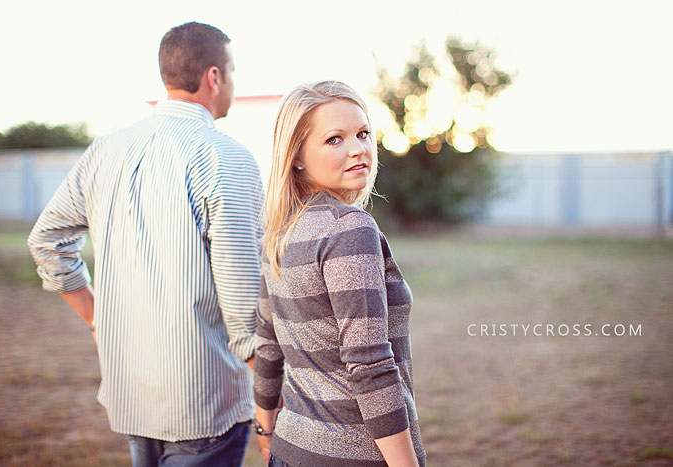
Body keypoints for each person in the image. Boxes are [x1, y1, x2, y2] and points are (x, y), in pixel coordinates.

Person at [27, 22, 263, 466]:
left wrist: (97, 319)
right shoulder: (226, 157)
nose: (232, 83)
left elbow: (47, 241)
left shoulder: (105, 150)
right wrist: (272, 402)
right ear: (214, 77)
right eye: (232, 71)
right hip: (204, 400)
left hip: (129, 394)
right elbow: (243, 311)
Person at [252, 81, 426, 467]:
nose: (357, 149)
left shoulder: (278, 233)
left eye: (363, 134)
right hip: (355, 456)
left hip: (288, 450)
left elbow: (266, 341)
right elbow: (369, 364)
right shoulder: (348, 228)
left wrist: (265, 426)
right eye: (335, 139)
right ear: (295, 156)